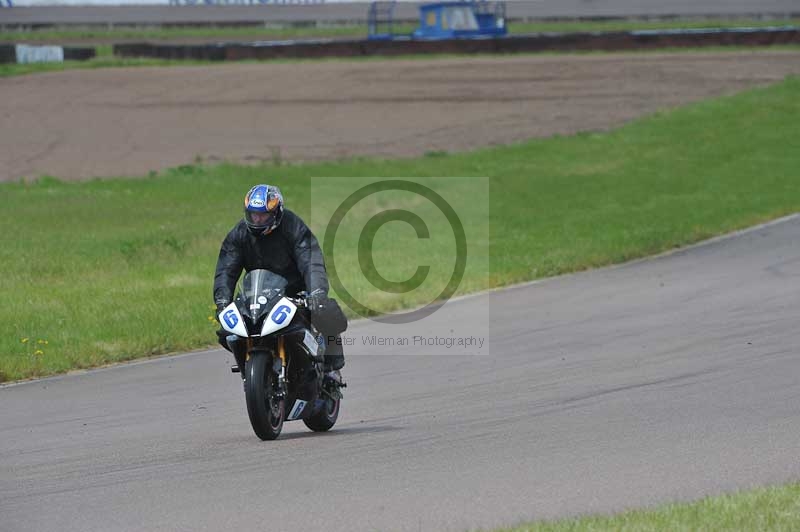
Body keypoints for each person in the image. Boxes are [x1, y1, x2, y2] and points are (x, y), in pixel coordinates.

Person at [213, 184, 345, 381]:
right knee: (226, 331)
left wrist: (317, 292)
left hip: (295, 293)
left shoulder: (293, 227)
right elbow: (226, 269)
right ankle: (251, 370)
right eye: (253, 215)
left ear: (276, 213)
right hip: (259, 294)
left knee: (328, 311)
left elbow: (311, 261)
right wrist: (222, 300)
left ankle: (331, 367)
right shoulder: (239, 234)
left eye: (263, 215)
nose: (257, 220)